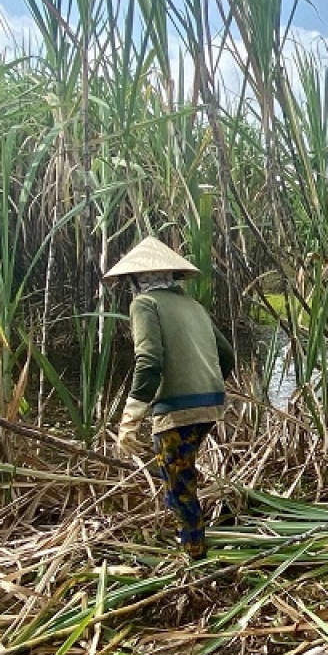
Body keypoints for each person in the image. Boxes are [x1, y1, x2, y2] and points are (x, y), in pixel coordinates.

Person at [107, 238, 236, 559]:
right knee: (182, 468)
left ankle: (194, 554)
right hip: (211, 402)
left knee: (178, 485)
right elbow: (226, 354)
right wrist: (209, 384)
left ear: (137, 279)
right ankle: (196, 535)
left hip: (178, 408)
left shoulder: (144, 304)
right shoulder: (193, 306)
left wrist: (130, 420)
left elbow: (149, 360)